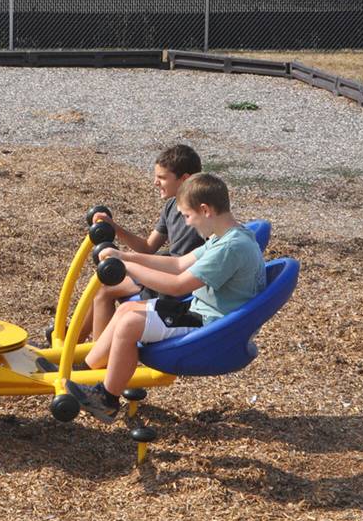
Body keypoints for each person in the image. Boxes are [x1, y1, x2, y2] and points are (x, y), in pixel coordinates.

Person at [65, 173, 266, 423]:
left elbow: (177, 285)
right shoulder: (226, 236)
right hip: (201, 311)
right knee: (126, 311)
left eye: (187, 216)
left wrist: (125, 267)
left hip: (211, 325)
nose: (188, 223)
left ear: (205, 210)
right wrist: (127, 256)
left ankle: (107, 399)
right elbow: (179, 263)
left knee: (130, 324)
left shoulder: (229, 248)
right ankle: (85, 374)